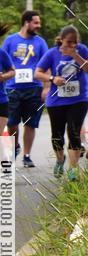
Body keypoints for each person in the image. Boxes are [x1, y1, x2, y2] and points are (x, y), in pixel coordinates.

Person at [35, 24, 88, 181]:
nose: (72, 45)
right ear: (62, 40)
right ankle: (60, 159)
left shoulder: (82, 50)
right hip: (56, 101)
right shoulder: (52, 54)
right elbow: (37, 73)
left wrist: (76, 55)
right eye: (69, 42)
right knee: (57, 136)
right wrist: (52, 79)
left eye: (75, 42)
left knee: (74, 132)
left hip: (78, 99)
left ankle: (72, 169)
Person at [2, 10, 48, 167]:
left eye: (39, 23)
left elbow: (46, 66)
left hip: (34, 88)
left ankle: (27, 156)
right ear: (26, 22)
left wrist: (46, 88)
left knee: (30, 124)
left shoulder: (40, 42)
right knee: (11, 122)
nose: (38, 26)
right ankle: (15, 146)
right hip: (12, 88)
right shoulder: (10, 40)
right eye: (35, 22)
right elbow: (1, 61)